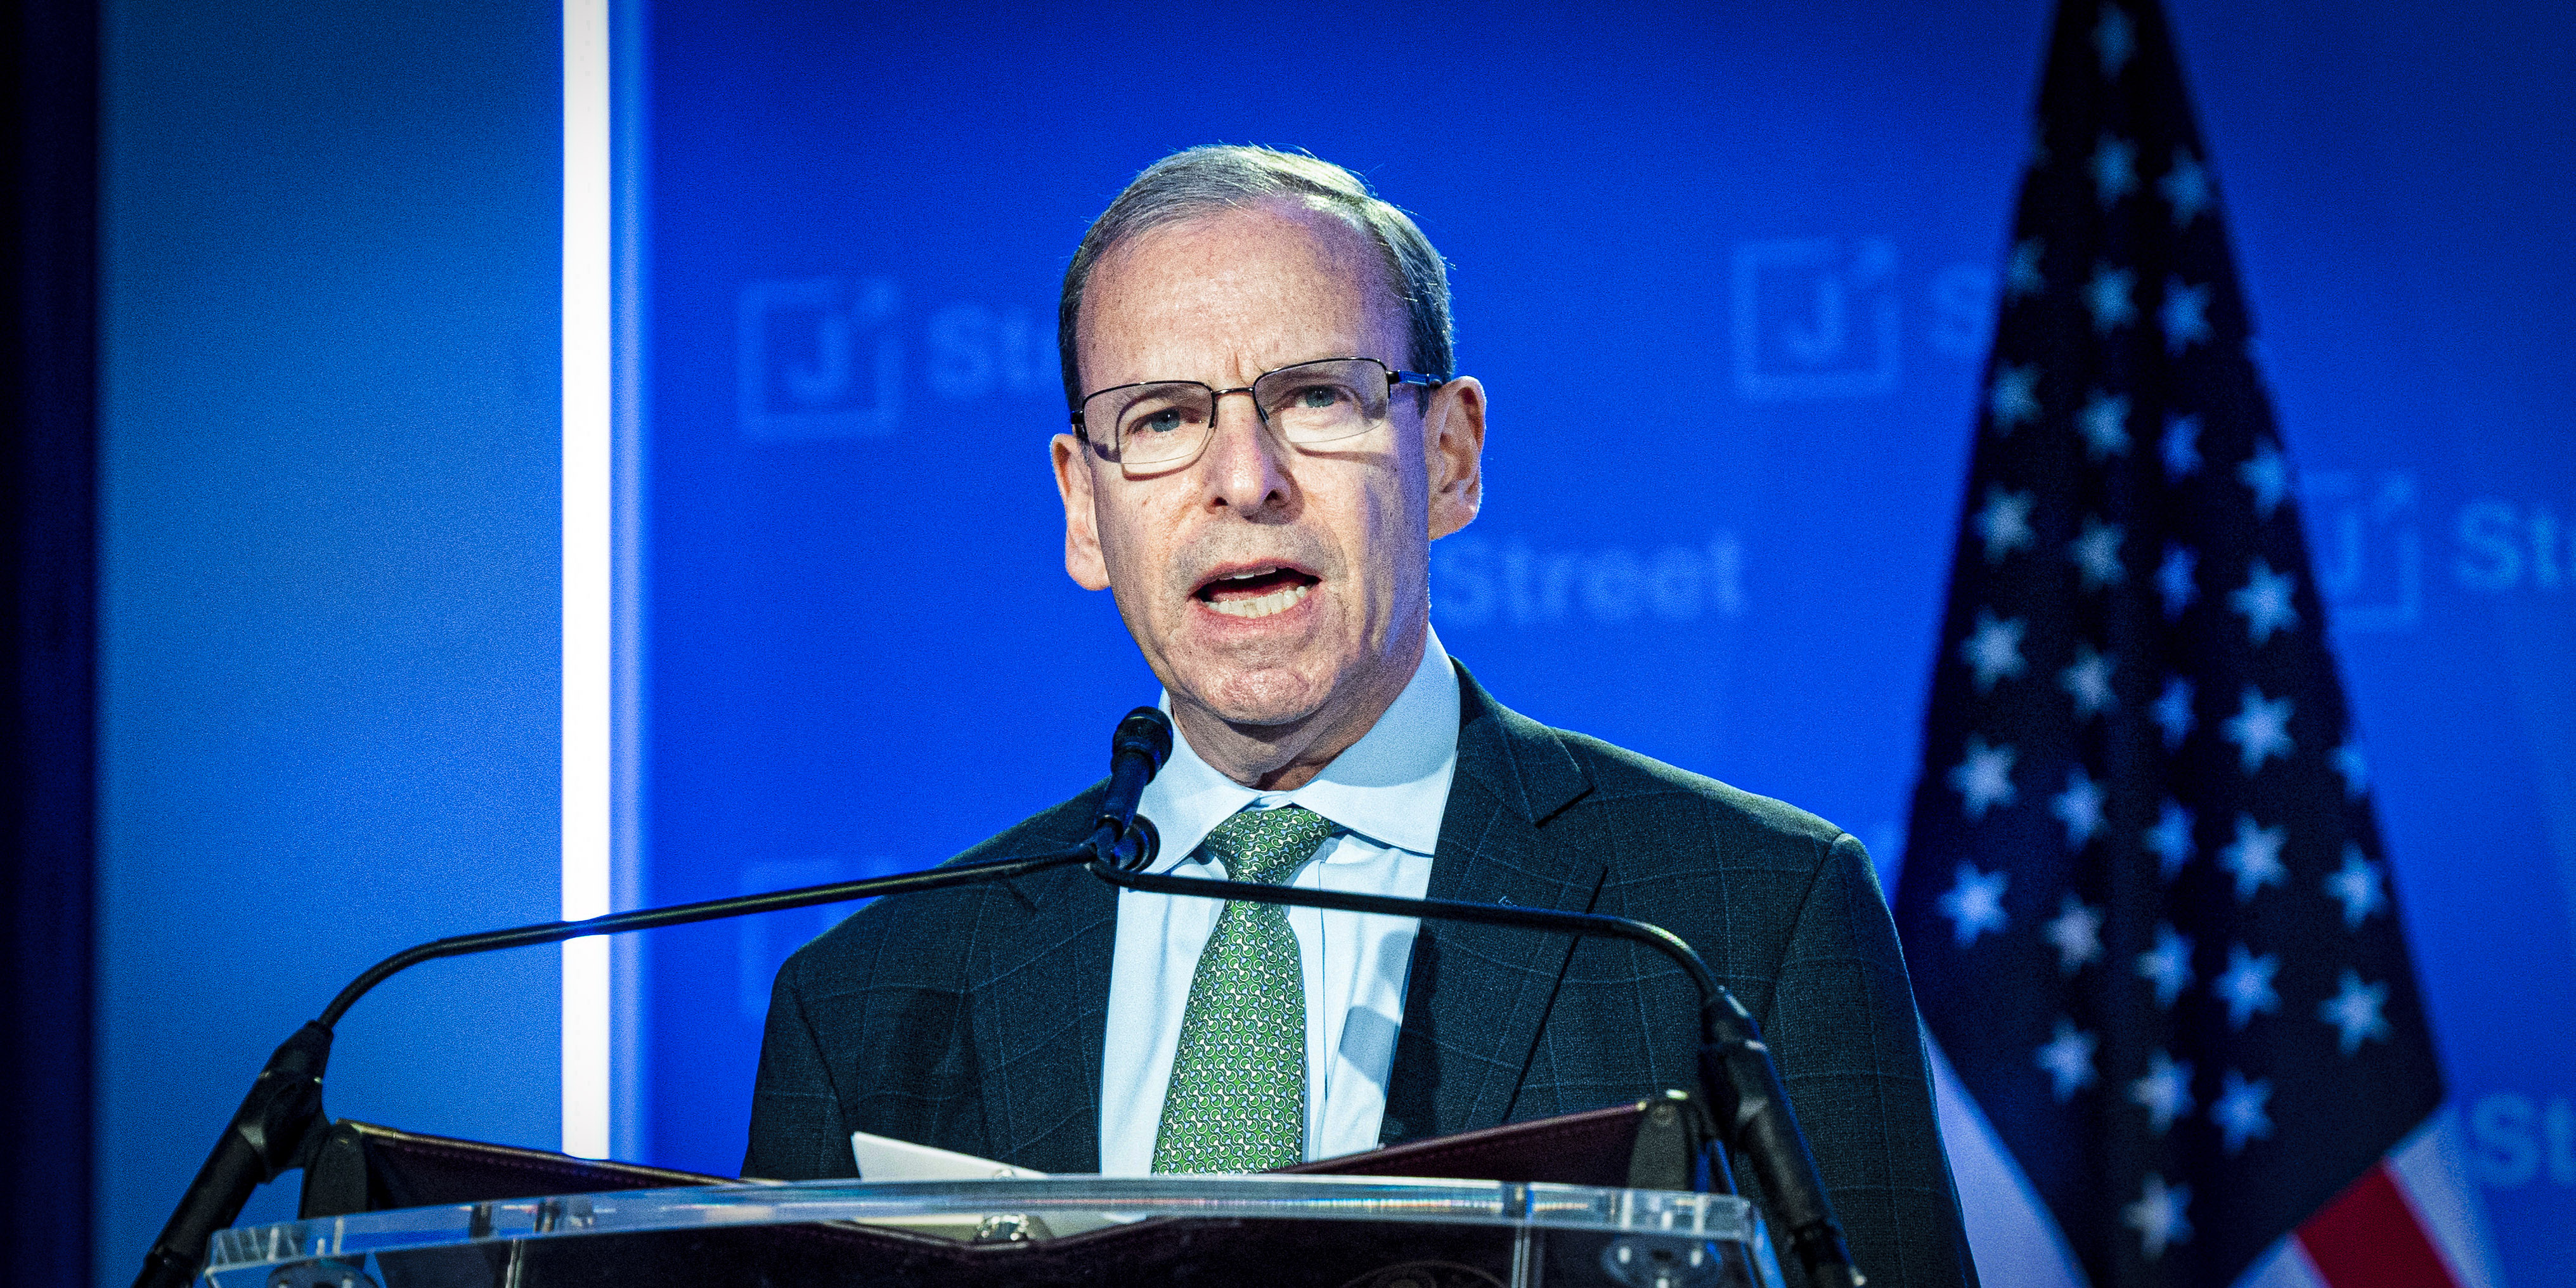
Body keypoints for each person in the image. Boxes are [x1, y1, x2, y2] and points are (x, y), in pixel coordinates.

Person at [745, 145, 1975, 1286]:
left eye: (1318, 397)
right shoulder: (867, 1001)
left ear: (1448, 453)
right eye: (1163, 419)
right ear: (1083, 505)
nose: (1244, 478)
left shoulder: (1743, 916)